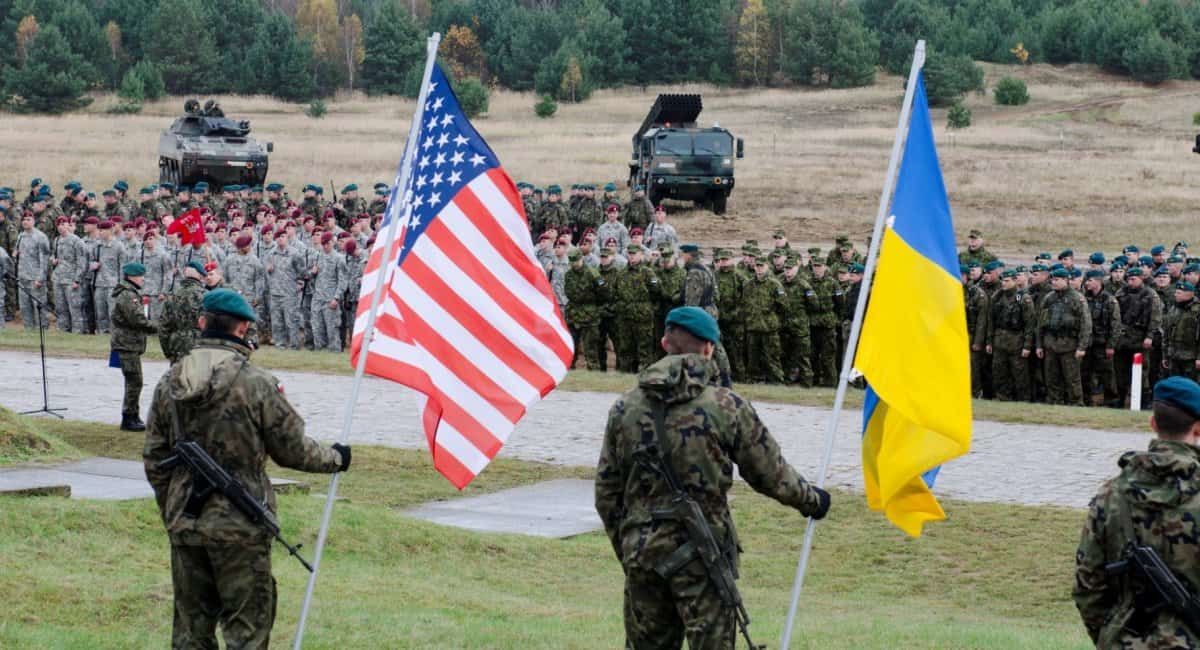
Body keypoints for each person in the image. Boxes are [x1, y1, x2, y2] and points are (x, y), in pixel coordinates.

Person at [595, 306, 830, 649]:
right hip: (701, 554)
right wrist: (813, 500)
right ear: (709, 349)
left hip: (642, 553)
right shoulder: (726, 406)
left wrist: (631, 544)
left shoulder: (624, 407)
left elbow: (606, 492)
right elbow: (770, 474)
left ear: (664, 343)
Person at [142, 288, 351, 649]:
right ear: (242, 330)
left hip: (185, 523)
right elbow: (294, 450)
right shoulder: (256, 383)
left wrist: (173, 506)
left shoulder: (171, 380)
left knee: (191, 633)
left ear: (202, 323)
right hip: (241, 525)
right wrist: (336, 458)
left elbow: (155, 457)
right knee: (247, 633)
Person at [1074, 376, 1200, 647]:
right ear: (1199, 428)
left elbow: (1088, 586)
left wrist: (1115, 640)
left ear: (1153, 423)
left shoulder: (1111, 494)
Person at [110, 262, 158, 431]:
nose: (143, 279)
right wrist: (158, 327)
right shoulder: (128, 296)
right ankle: (129, 418)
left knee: (134, 381)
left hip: (128, 343)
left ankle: (133, 415)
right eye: (141, 276)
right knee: (134, 381)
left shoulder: (129, 294)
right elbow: (137, 319)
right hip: (126, 344)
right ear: (132, 277)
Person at [159, 262, 207, 364]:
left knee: (177, 378)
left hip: (177, 346)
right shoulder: (206, 296)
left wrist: (167, 352)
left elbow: (163, 327)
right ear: (200, 276)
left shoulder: (172, 296)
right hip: (199, 346)